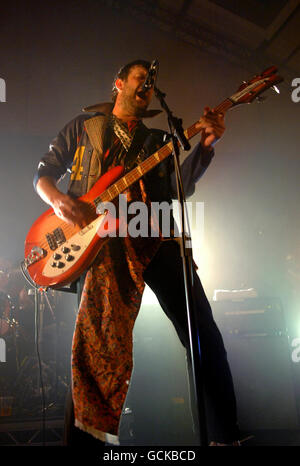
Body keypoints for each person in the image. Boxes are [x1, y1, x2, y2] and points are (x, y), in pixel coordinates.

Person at [33, 59, 240, 446]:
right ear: (119, 83)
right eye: (141, 77)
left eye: (152, 81)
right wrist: (61, 203)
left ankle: (226, 436)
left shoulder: (158, 141)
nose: (147, 84)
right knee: (95, 344)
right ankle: (83, 443)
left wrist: (206, 148)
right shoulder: (83, 128)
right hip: (98, 243)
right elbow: (43, 173)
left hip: (153, 234)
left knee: (201, 330)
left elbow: (181, 188)